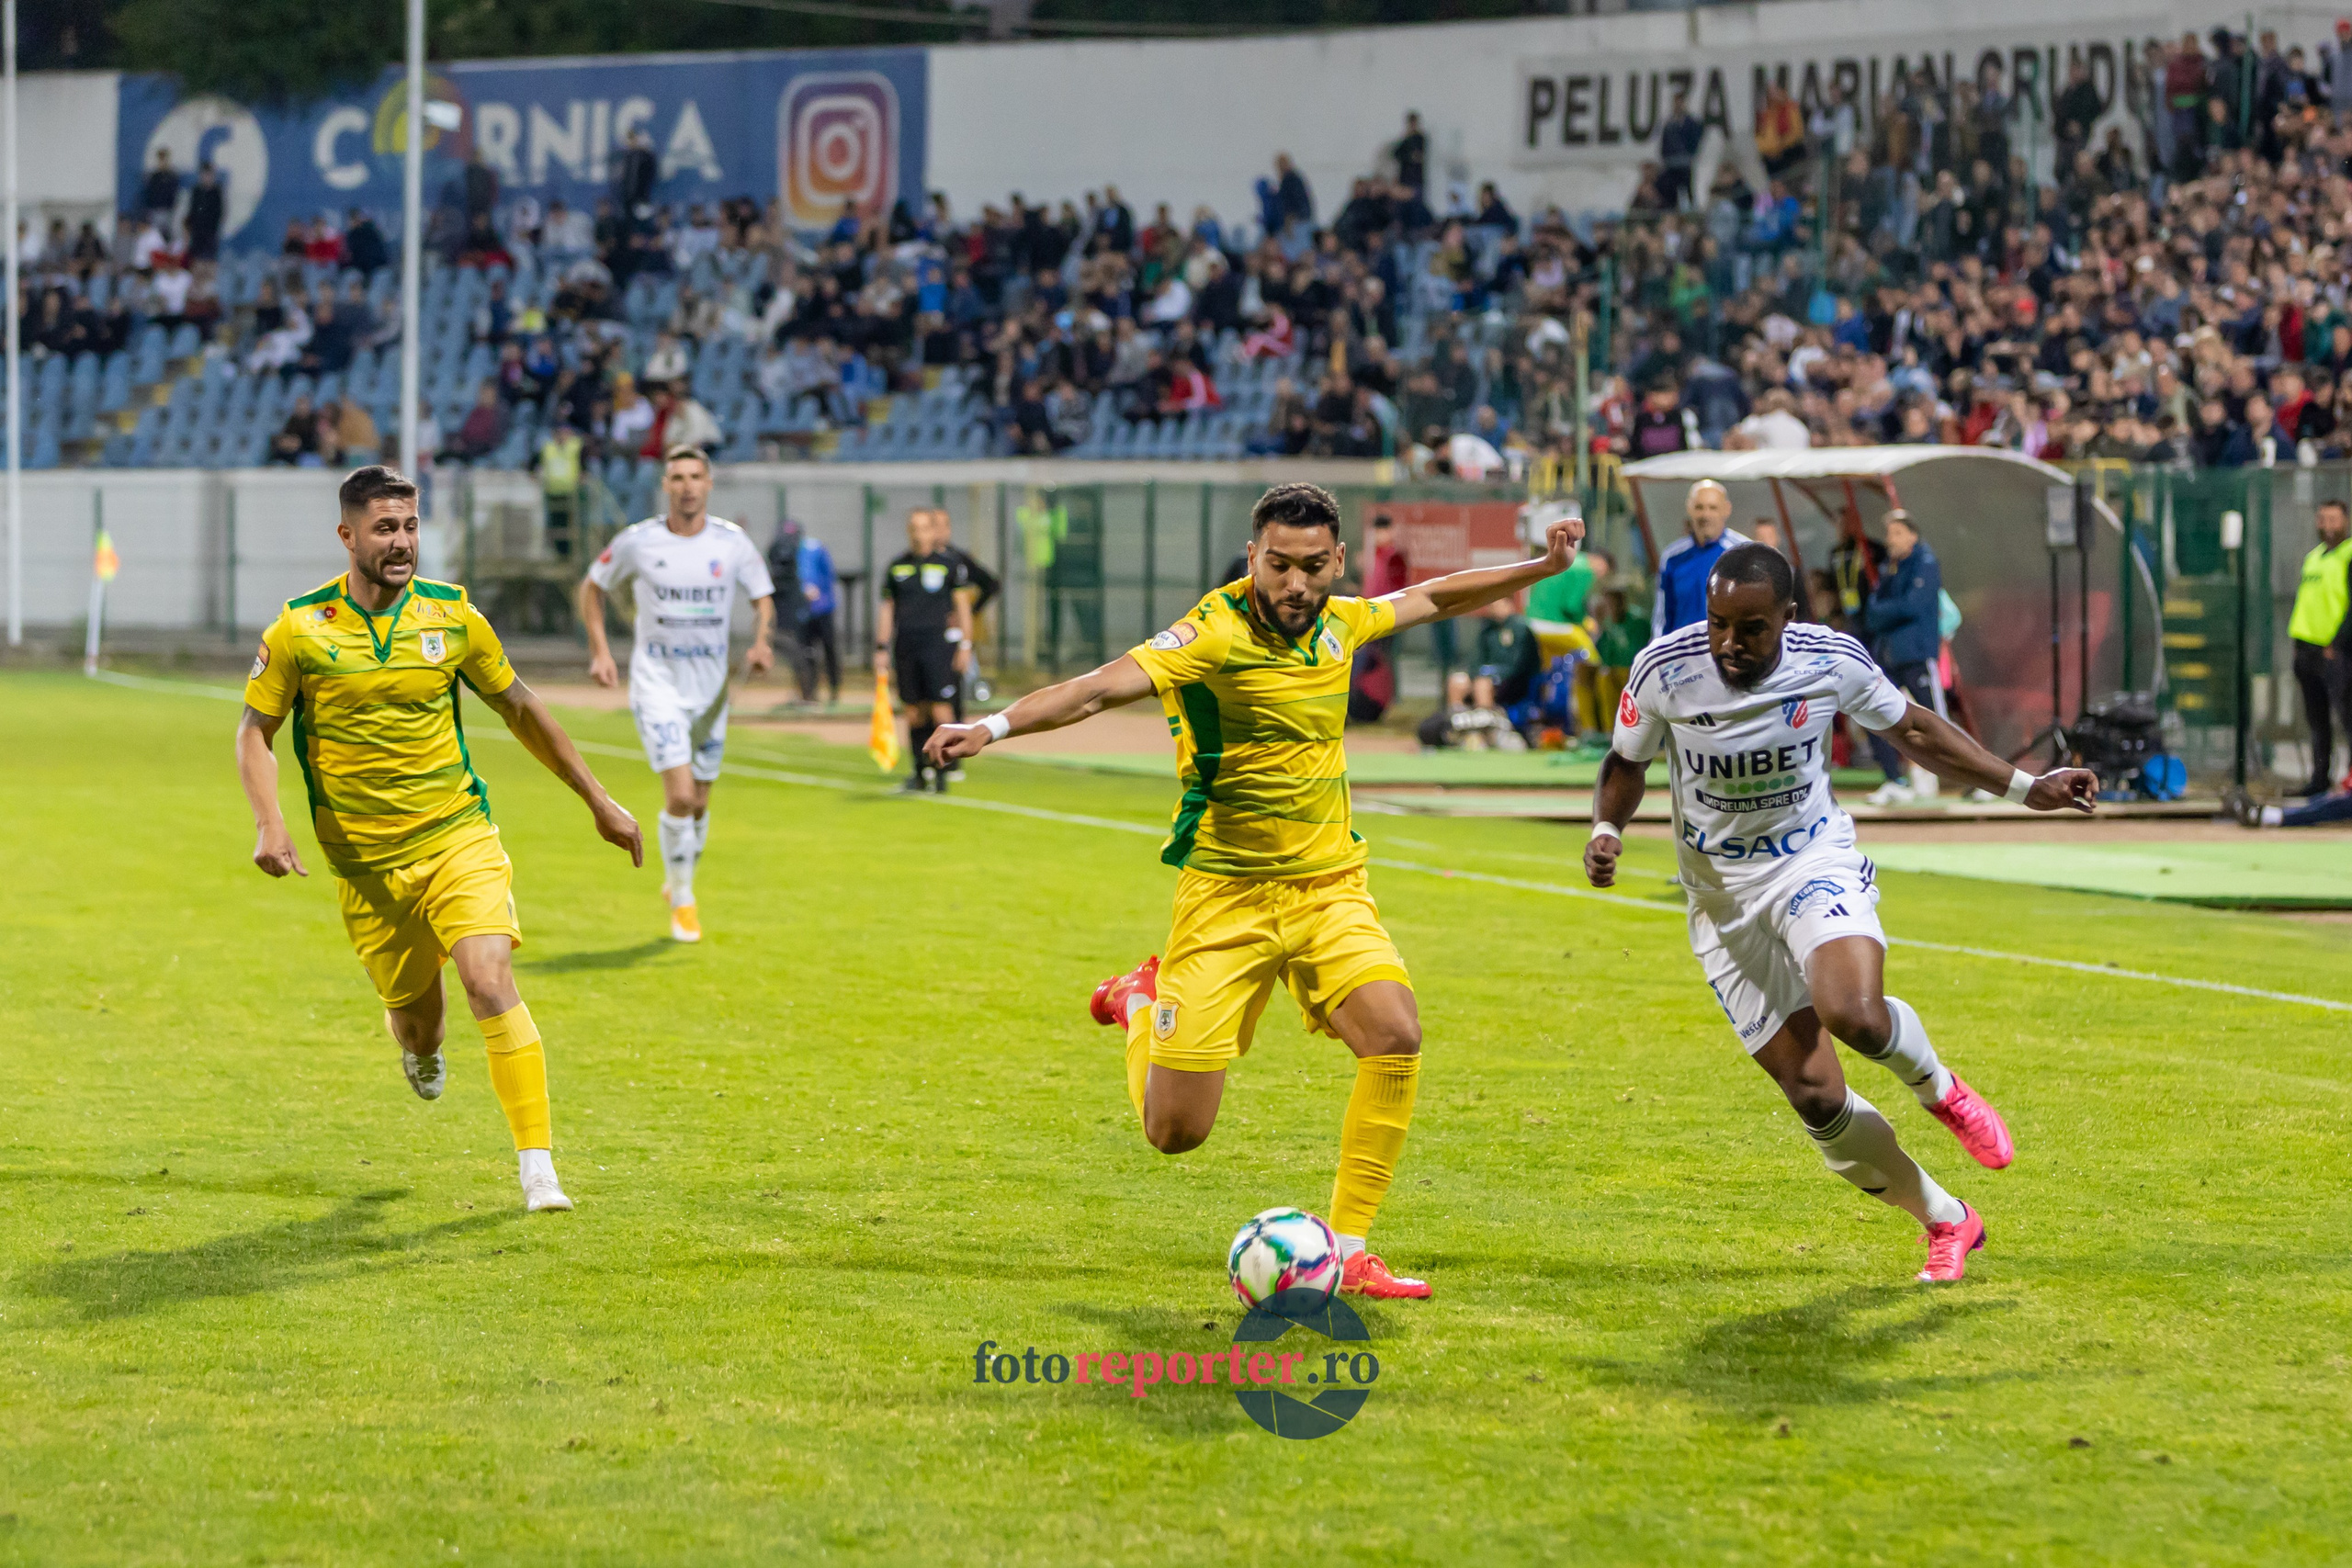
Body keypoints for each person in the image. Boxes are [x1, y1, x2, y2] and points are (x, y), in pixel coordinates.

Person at [923, 482, 1589, 1302]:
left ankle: (1351, 1250)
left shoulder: (1344, 622)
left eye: (1312, 566)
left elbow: (1436, 596)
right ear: (1253, 557)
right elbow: (1096, 687)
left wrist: (1540, 566)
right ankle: (1140, 1000)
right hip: (1226, 898)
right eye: (1278, 565)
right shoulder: (1211, 632)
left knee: (1395, 1032)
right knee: (1175, 1131)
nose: (1295, 584)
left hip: (1328, 887)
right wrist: (990, 727)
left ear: (1337, 561)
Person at [1586, 544, 2098, 1283]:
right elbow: (1625, 761)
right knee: (1816, 1096)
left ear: (1788, 618)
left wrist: (2026, 786)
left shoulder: (1829, 659)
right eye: (1719, 622)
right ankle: (1947, 1217)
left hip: (1810, 862)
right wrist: (1607, 828)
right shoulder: (1665, 667)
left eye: (1752, 628)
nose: (1729, 643)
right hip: (1721, 902)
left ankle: (1939, 1089)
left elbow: (1914, 729)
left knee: (1854, 1013)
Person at [234, 465, 643, 1213]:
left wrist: (598, 797)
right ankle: (420, 1050)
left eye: (411, 526)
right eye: (385, 528)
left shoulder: (452, 616)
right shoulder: (299, 628)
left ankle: (538, 1167)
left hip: (458, 835)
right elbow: (253, 732)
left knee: (489, 977)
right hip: (367, 868)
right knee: (420, 1027)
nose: (401, 542)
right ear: (348, 534)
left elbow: (521, 708)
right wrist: (270, 821)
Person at [578, 446, 776, 944]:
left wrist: (761, 642)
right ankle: (684, 899)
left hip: (711, 693)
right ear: (665, 486)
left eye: (695, 477)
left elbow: (763, 599)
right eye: (677, 478)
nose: (687, 486)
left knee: (701, 802)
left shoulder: (731, 543)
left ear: (709, 484)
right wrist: (601, 651)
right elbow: (592, 586)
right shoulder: (639, 541)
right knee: (682, 796)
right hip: (657, 684)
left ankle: (680, 877)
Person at [876, 508, 976, 794]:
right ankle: (919, 774)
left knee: (941, 709)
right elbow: (887, 609)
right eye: (913, 528)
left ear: (933, 532)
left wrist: (965, 645)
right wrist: (881, 646)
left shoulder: (949, 565)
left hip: (938, 646)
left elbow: (963, 608)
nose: (918, 534)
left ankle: (943, 775)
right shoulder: (897, 566)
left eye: (923, 528)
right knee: (913, 712)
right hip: (906, 646)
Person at [1860, 510, 1947, 807]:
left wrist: (1885, 612)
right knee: (1873, 712)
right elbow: (1871, 611)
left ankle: (1980, 778)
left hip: (1917, 655)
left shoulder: (1925, 563)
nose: (1891, 540)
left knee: (1938, 722)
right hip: (1889, 657)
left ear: (1912, 535)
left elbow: (1912, 606)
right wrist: (1887, 611)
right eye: (1889, 533)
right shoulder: (1890, 567)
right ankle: (1894, 780)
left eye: (1897, 533)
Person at [2287, 499, 2352, 797]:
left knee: (2346, 717)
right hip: (2307, 650)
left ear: (2345, 522)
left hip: (2336, 652)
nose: (2327, 526)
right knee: (2317, 720)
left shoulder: (2348, 556)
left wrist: (2337, 643)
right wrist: (2299, 645)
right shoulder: (2313, 557)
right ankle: (2319, 780)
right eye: (2323, 519)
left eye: (2334, 520)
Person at [1653, 479, 1746, 634]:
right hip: (1683, 647)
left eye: (1713, 508)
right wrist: (1657, 645)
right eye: (1699, 507)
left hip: (1727, 646)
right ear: (1689, 509)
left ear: (1726, 509)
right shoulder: (1673, 557)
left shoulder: (1743, 553)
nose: (1706, 515)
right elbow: (1662, 616)